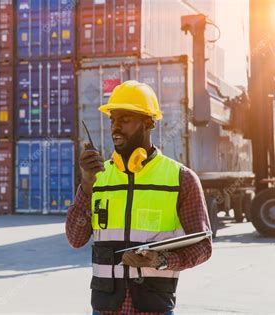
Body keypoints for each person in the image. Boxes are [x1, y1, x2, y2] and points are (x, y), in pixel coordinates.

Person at [66, 80, 212, 314]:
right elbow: (75, 238)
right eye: (113, 120)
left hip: (153, 307)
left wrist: (161, 260)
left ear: (148, 123)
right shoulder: (97, 177)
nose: (115, 128)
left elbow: (203, 246)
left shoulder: (180, 179)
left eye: (125, 120)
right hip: (105, 307)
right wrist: (86, 183)